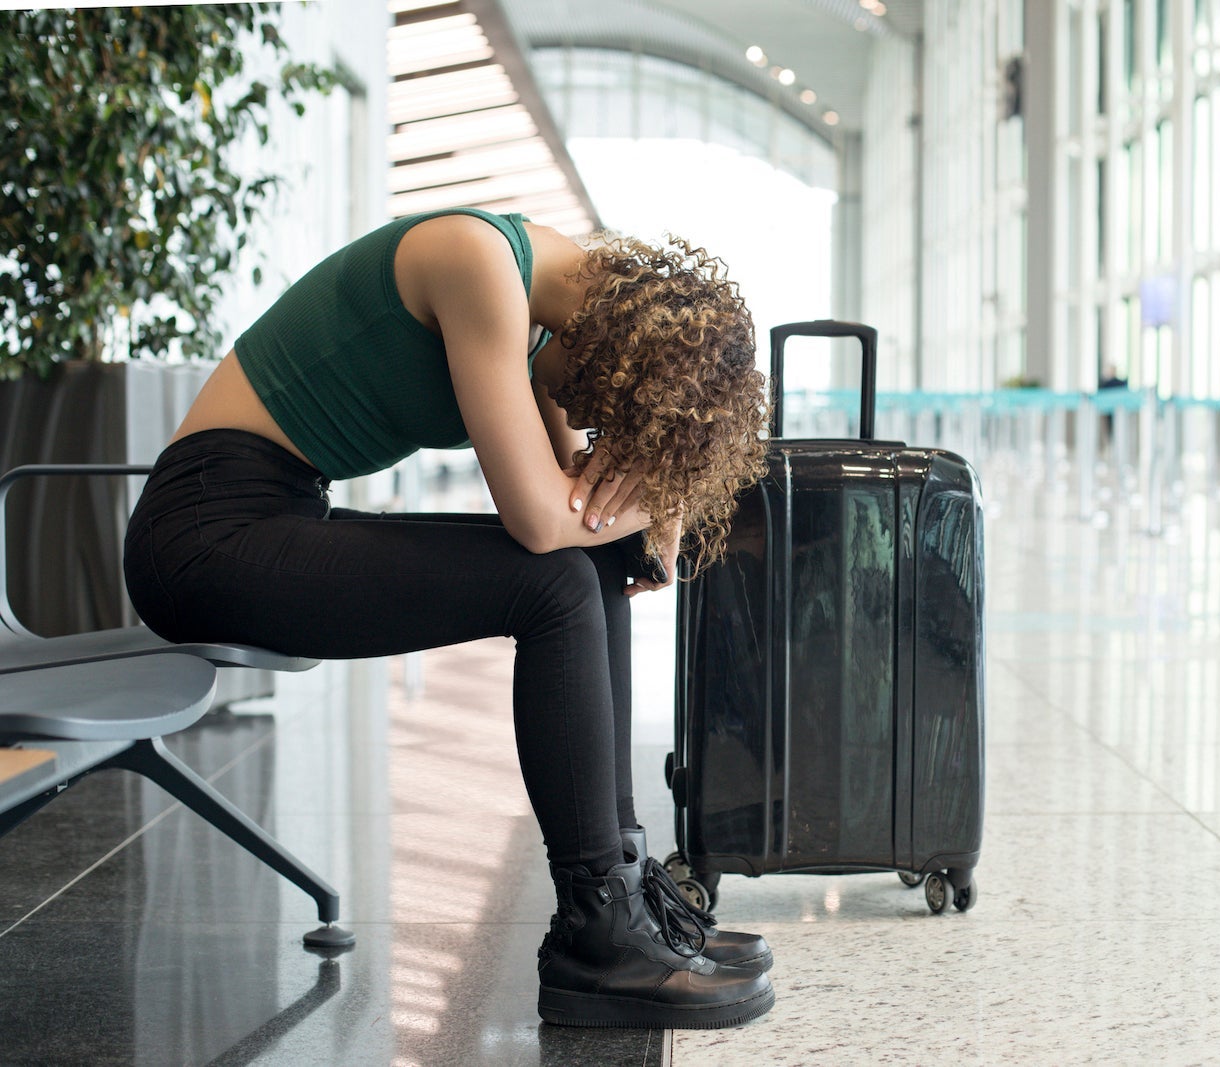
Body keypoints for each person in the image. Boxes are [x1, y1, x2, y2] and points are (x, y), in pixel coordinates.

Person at [121, 207, 776, 1030]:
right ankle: (597, 930)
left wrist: (643, 509)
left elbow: (581, 505)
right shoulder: (479, 264)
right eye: (610, 399)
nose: (587, 408)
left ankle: (625, 891)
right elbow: (541, 519)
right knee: (557, 584)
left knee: (591, 567)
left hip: (279, 511)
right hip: (200, 534)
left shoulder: (548, 306)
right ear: (614, 346)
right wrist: (649, 498)